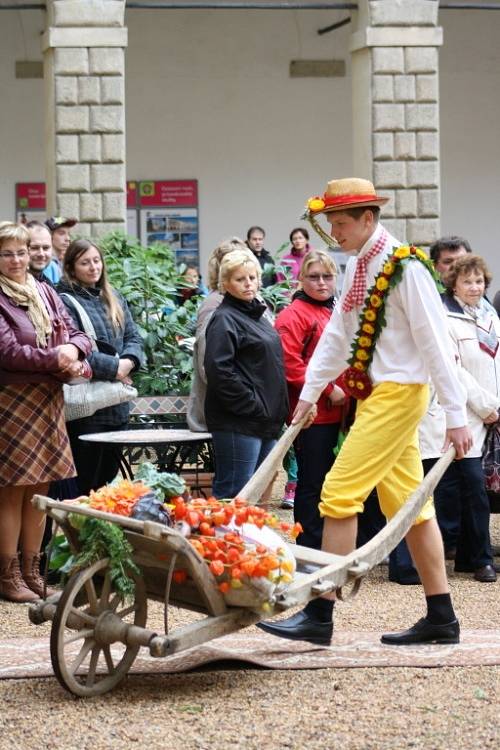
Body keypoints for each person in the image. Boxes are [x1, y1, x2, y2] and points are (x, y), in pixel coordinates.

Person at [258, 177, 472, 646]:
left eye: (341, 224)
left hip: (400, 393)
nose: (334, 233)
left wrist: (456, 416)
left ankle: (320, 613)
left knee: (337, 491)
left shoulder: (407, 267)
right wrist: (310, 395)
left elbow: (437, 344)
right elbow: (338, 336)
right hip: (379, 394)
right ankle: (442, 616)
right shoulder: (359, 264)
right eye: (330, 223)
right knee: (411, 506)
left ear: (368, 219)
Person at [0, 222, 91, 602]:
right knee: (12, 490)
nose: (17, 260)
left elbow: (77, 333)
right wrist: (57, 358)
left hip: (48, 399)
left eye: (21, 252)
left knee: (41, 488)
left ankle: (32, 569)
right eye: (7, 253)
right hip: (12, 400)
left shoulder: (46, 291)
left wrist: (75, 350)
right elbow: (7, 352)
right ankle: (7, 576)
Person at [422, 255, 498, 582]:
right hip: (463, 414)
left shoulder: (491, 317)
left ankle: (473, 558)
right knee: (465, 488)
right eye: (467, 281)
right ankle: (476, 558)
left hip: (490, 416)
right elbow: (455, 371)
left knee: (479, 492)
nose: (474, 287)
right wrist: (488, 406)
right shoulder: (445, 318)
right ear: (453, 283)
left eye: (479, 281)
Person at [57, 239, 144, 495]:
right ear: (71, 268)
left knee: (106, 485)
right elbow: (72, 351)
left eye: (96, 261)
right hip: (87, 413)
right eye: (85, 262)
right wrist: (115, 369)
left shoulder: (113, 296)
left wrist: (128, 363)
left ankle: (98, 535)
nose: (93, 267)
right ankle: (79, 536)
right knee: (85, 486)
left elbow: (134, 338)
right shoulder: (64, 301)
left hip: (117, 407)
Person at [275, 250, 346, 548]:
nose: (321, 283)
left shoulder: (337, 309)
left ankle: (331, 543)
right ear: (301, 278)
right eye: (314, 277)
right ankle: (308, 546)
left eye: (327, 277)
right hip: (313, 416)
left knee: (336, 482)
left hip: (342, 413)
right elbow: (291, 364)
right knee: (312, 482)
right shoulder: (292, 315)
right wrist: (328, 389)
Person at [204, 249, 288, 498]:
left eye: (252, 277)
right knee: (234, 494)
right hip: (239, 422)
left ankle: (244, 538)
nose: (248, 284)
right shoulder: (224, 318)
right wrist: (253, 405)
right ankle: (221, 538)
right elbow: (219, 370)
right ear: (226, 283)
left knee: (253, 496)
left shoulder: (257, 314)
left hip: (264, 421)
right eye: (240, 279)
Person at [187, 237, 255, 433]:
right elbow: (209, 366)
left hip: (251, 413)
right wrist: (249, 401)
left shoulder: (251, 300)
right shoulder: (214, 305)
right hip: (231, 414)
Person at [44, 216, 78, 283]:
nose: (67, 238)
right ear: (49, 236)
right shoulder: (47, 264)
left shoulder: (61, 262)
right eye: (61, 233)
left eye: (69, 234)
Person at [27, 221, 55, 286]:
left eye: (46, 248)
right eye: (34, 248)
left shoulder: (48, 285)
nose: (41, 254)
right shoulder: (11, 288)